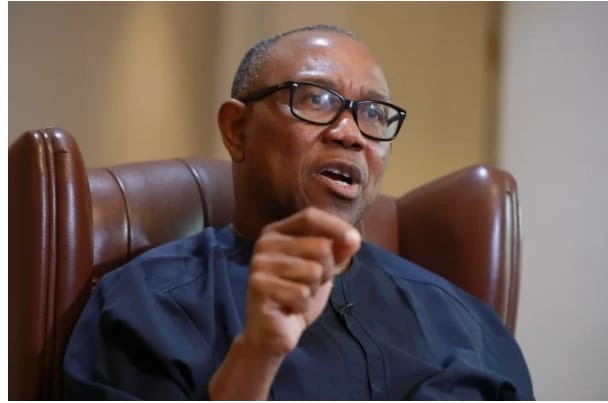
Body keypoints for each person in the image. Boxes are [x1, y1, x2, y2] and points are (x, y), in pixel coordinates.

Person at [63, 25, 534, 400]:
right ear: (237, 129)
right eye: (317, 99)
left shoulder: (466, 322)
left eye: (373, 113)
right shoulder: (147, 304)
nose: (351, 133)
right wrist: (257, 356)